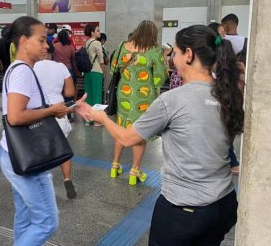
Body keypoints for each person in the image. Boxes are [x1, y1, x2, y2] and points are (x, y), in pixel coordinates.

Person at [77, 24, 244, 245]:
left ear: (189, 55)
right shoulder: (229, 94)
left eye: (175, 53)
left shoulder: (173, 100)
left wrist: (103, 118)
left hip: (184, 210)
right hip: (224, 204)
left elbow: (127, 138)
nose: (171, 59)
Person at [0, 16, 77, 245]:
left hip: (13, 152)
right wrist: (51, 111)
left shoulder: (18, 69)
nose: (46, 45)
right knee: (46, 222)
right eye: (42, 40)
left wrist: (52, 110)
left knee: (24, 216)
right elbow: (15, 116)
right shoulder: (22, 71)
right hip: (26, 156)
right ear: (24, 41)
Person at [109, 20, 168, 185]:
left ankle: (115, 165)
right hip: (144, 97)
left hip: (124, 95)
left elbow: (113, 69)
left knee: (122, 128)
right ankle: (134, 172)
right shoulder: (155, 51)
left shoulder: (122, 46)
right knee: (140, 132)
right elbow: (159, 79)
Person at [34, 50, 78, 199]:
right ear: (51, 54)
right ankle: (67, 179)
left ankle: (45, 185)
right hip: (59, 111)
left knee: (41, 151)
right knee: (63, 149)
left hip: (40, 113)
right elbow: (70, 92)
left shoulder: (31, 66)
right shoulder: (61, 67)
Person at [209, 22, 242, 175]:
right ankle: (231, 161)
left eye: (224, 32)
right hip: (231, 113)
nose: (223, 35)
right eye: (220, 32)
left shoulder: (210, 73)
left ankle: (230, 161)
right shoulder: (237, 72)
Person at [54, 30, 77, 121]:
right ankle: (69, 116)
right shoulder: (71, 47)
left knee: (58, 92)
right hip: (69, 70)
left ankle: (58, 114)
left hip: (57, 70)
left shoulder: (54, 46)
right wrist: (76, 72)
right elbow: (74, 61)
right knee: (69, 95)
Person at [83, 24, 105, 113]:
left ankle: (89, 118)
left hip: (88, 72)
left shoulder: (87, 43)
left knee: (88, 96)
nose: (99, 32)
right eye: (97, 30)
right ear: (92, 32)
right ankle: (97, 118)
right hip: (96, 71)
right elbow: (101, 59)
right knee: (97, 95)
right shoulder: (97, 43)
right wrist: (103, 71)